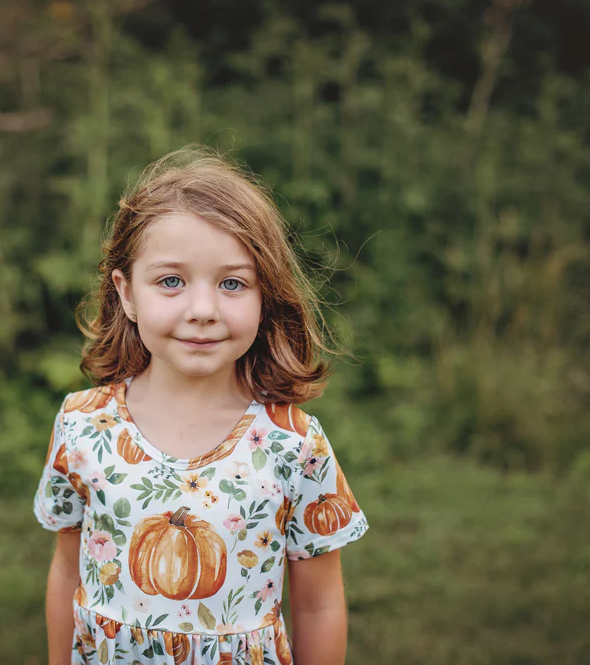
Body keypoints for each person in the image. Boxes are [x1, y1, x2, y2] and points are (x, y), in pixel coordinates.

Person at [34, 146, 368, 665]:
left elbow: (320, 604)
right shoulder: (83, 424)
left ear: (266, 296)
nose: (203, 311)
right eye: (171, 281)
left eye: (232, 283)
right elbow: (67, 571)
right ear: (126, 293)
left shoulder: (295, 443)